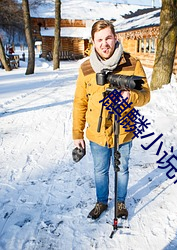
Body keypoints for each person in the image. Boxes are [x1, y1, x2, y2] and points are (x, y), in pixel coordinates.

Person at [72, 20, 150, 220]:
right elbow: (80, 102)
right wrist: (77, 134)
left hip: (124, 130)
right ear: (93, 42)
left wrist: (130, 96)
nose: (104, 43)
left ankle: (121, 202)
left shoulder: (132, 63)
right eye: (100, 40)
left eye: (108, 38)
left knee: (122, 168)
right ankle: (101, 202)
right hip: (97, 133)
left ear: (115, 38)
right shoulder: (86, 68)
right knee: (100, 170)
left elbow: (146, 95)